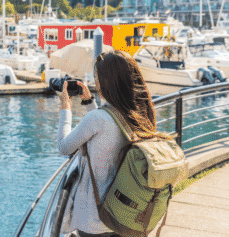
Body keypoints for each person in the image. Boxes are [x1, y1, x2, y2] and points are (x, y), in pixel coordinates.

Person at [56, 50, 159, 237]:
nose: (96, 83)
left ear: (107, 82)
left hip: (96, 218)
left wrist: (66, 108)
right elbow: (108, 130)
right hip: (127, 214)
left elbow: (64, 147)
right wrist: (88, 102)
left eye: (98, 78)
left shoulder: (97, 119)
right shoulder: (140, 115)